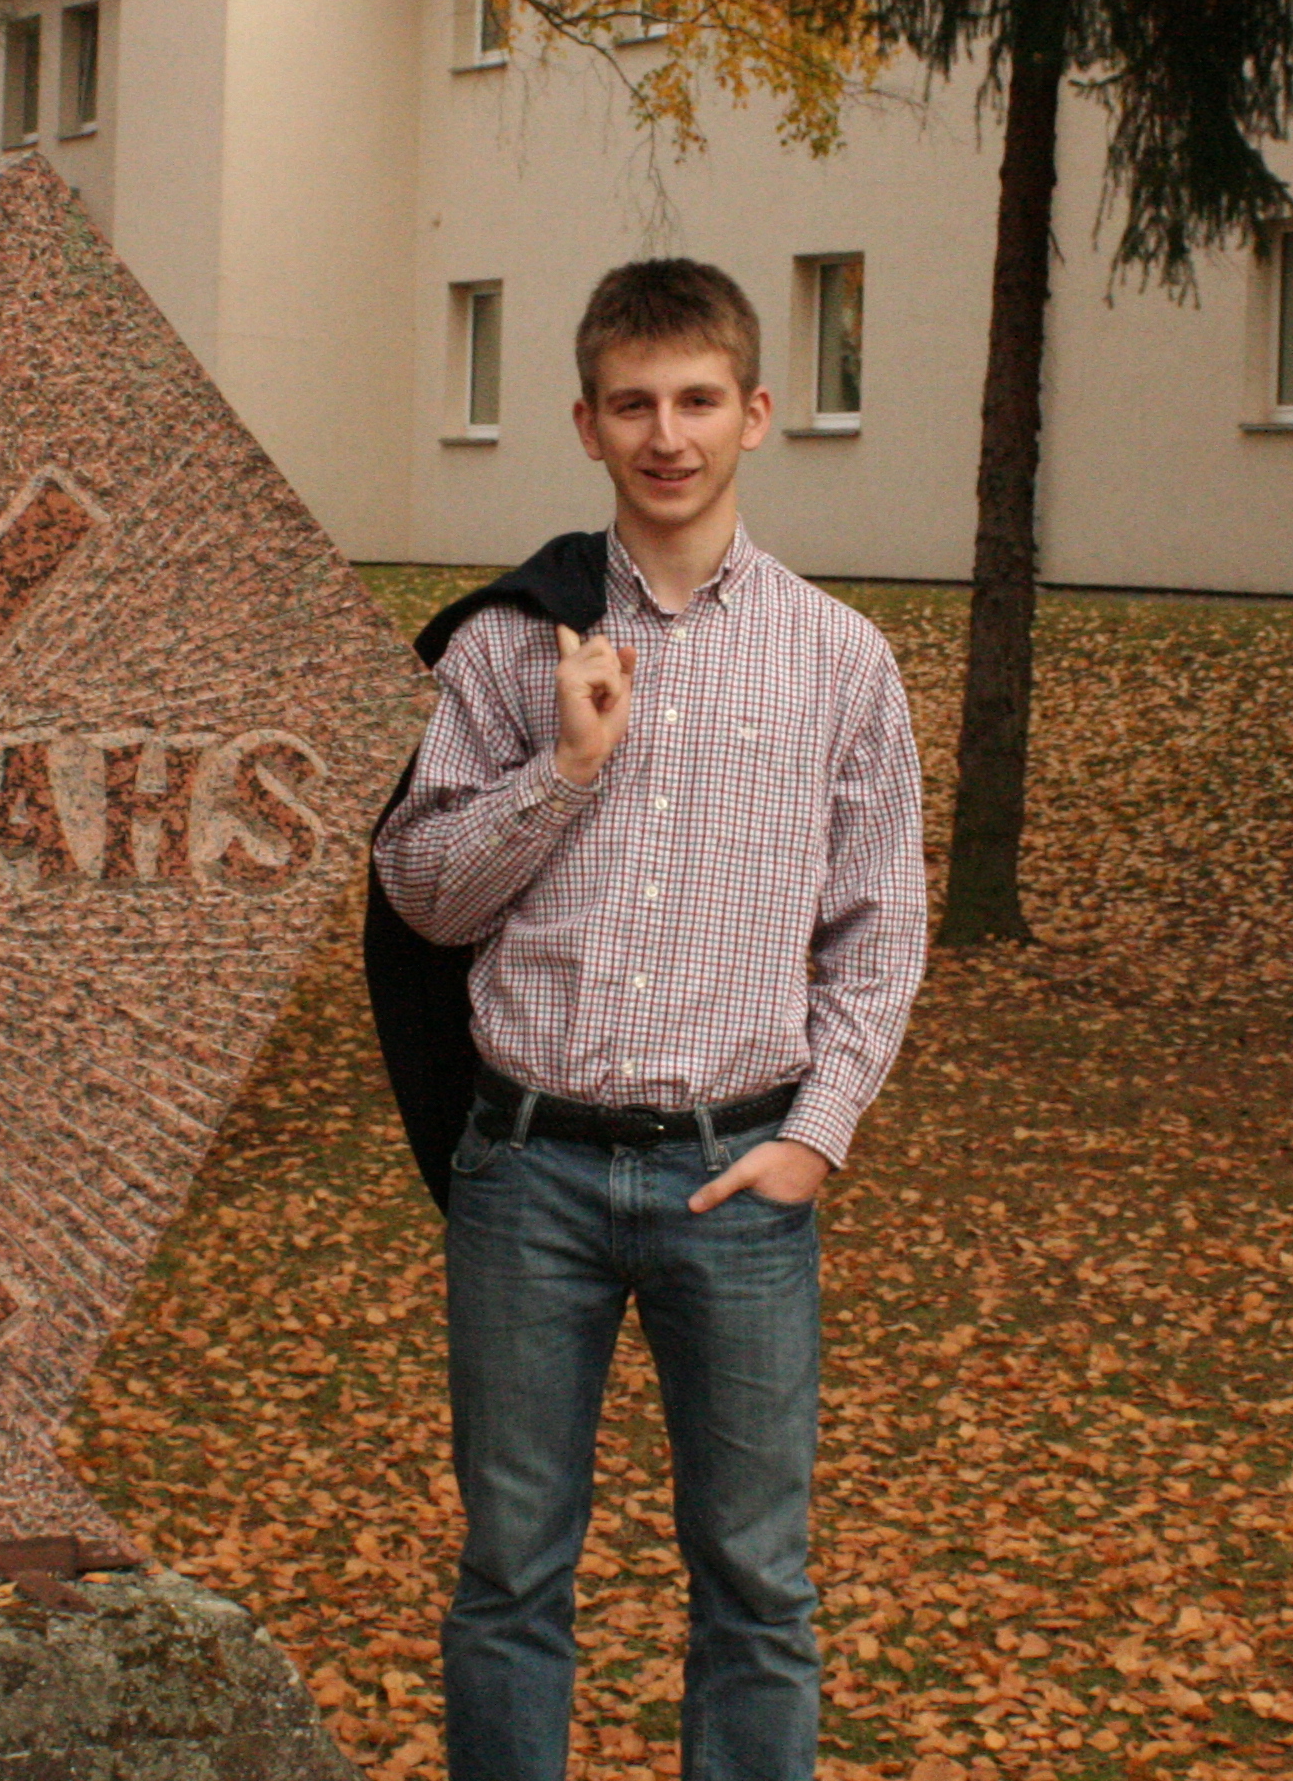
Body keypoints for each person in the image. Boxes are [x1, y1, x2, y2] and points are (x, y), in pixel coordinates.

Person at [373, 257, 928, 1781]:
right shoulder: (511, 646)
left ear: (756, 412)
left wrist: (818, 1136)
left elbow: (879, 931)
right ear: (587, 424)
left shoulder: (840, 660)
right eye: (633, 405)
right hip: (528, 1174)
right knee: (510, 1576)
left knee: (757, 1586)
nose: (666, 435)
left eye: (696, 400)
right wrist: (562, 772)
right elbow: (421, 894)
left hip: (735, 1178)